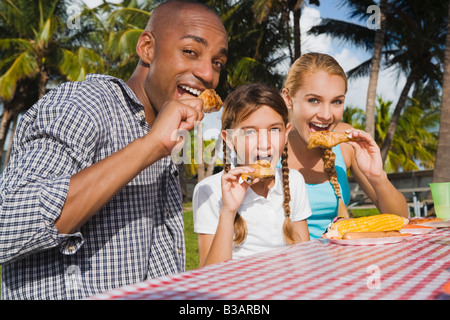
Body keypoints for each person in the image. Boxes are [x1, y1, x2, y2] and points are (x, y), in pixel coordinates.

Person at [0, 0, 228, 299]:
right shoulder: (86, 104)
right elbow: (7, 223)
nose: (208, 74)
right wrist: (151, 146)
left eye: (218, 62)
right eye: (190, 51)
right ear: (147, 48)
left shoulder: (159, 129)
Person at [281, 52, 409, 239]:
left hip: (339, 260)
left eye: (337, 102)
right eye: (313, 100)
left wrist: (377, 177)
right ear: (288, 98)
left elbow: (401, 219)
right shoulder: (267, 146)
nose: (326, 115)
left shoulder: (347, 144)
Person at [193, 84, 311, 267]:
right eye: (249, 132)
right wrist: (228, 211)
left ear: (286, 133)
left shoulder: (294, 181)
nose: (264, 144)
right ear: (230, 139)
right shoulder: (209, 190)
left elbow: (304, 259)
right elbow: (208, 274)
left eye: (274, 130)